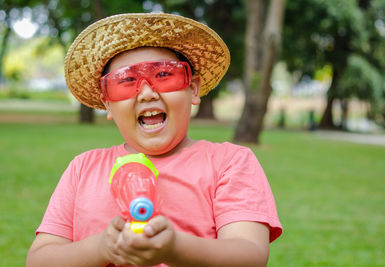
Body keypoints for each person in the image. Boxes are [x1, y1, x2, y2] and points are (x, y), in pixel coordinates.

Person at [26, 13, 282, 267]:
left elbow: (249, 254)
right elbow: (38, 260)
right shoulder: (83, 169)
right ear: (108, 105)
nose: (147, 93)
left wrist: (174, 249)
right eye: (126, 81)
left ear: (192, 89)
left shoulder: (230, 163)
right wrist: (102, 247)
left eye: (163, 75)